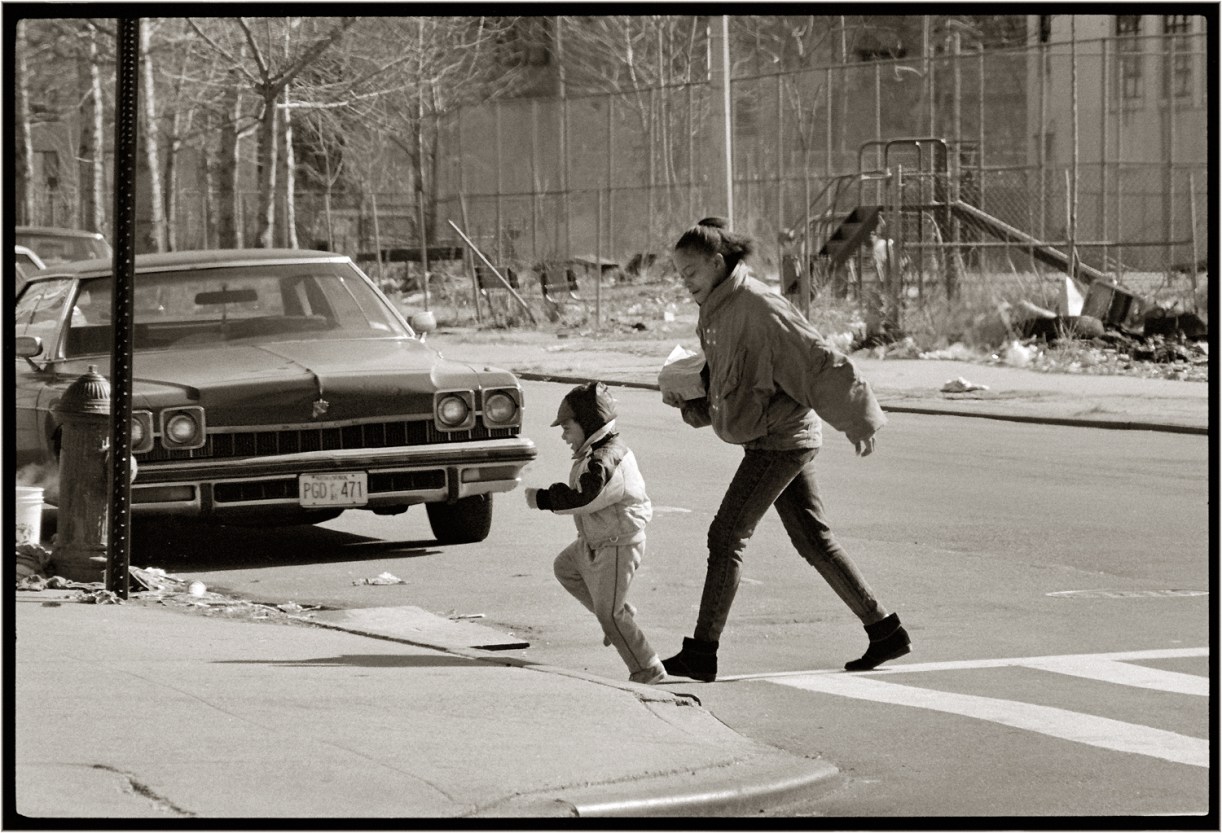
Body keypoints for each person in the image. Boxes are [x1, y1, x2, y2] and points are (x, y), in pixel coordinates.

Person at [660, 216, 910, 682]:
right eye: (679, 274)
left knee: (726, 536)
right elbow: (730, 379)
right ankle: (885, 631)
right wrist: (689, 399)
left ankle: (702, 652)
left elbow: (815, 359)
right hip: (772, 434)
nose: (685, 282)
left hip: (780, 441)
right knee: (813, 539)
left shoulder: (758, 305)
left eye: (690, 271)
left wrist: (858, 417)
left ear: (717, 263)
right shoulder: (719, 307)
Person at [524, 382, 666, 685]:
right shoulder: (595, 452)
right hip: (596, 541)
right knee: (566, 568)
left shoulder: (606, 459)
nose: (563, 435)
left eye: (566, 426)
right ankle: (617, 611)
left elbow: (585, 497)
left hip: (618, 544)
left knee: (609, 615)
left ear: (587, 423)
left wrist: (543, 498)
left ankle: (647, 667)